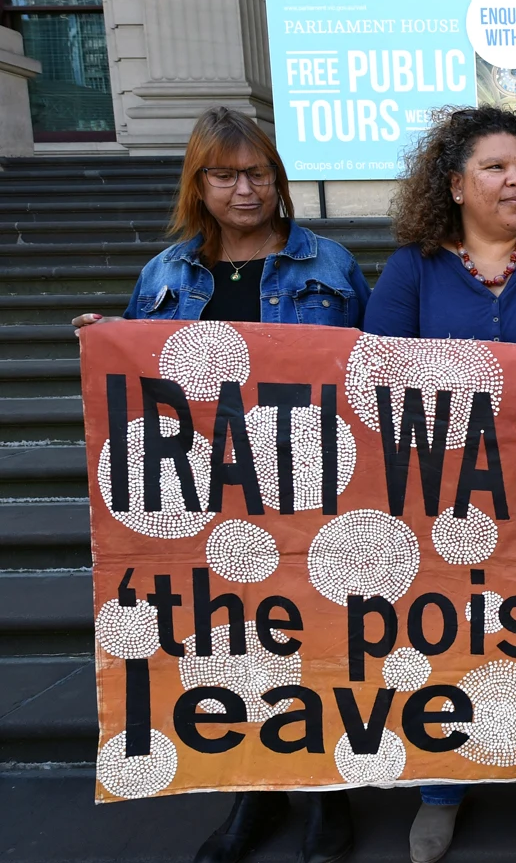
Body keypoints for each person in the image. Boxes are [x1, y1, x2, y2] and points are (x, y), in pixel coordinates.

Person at [73, 106, 370, 863]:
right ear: (197, 185)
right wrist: (110, 345)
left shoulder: (330, 265)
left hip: (312, 487)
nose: (246, 189)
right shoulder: (165, 276)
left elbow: (372, 376)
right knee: (237, 645)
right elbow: (149, 393)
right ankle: (252, 793)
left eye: (259, 173)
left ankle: (328, 797)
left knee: (320, 641)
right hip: (211, 501)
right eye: (227, 175)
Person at [362, 105, 516, 861]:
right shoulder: (414, 268)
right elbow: (368, 373)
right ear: (455, 184)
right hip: (437, 502)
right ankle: (439, 785)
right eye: (496, 167)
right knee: (442, 639)